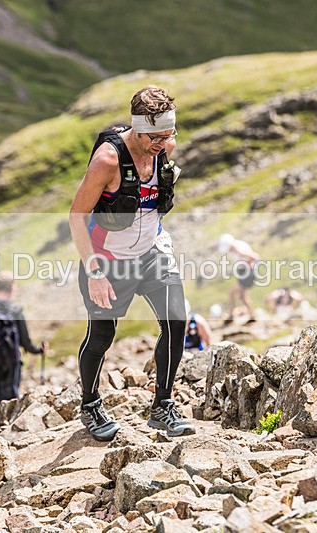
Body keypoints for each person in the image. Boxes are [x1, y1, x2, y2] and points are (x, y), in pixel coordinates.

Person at [69, 85, 196, 441]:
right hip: (108, 261)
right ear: (137, 129)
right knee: (102, 335)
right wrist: (94, 272)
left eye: (168, 134)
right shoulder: (107, 160)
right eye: (155, 136)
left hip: (153, 251)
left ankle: (163, 407)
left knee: (176, 322)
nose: (163, 143)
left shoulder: (165, 147)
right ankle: (91, 404)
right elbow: (77, 216)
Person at [0, 272, 46, 405]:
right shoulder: (15, 310)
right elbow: (26, 342)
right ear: (12, 288)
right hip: (10, 362)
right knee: (10, 401)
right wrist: (39, 350)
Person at [219, 233, 259, 325]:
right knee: (242, 296)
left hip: (246, 273)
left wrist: (250, 266)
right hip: (244, 273)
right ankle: (252, 316)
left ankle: (231, 316)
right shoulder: (239, 246)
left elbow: (254, 256)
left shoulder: (238, 249)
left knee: (232, 293)